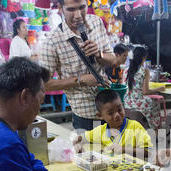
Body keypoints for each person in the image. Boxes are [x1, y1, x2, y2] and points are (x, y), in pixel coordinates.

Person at [40, 0, 116, 131]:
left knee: (116, 149)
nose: (78, 15)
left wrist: (99, 54)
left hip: (110, 108)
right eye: (71, 9)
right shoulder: (51, 42)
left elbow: (113, 60)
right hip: (85, 115)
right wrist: (80, 80)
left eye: (82, 7)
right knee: (91, 150)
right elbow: (43, 84)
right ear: (60, 8)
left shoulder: (96, 22)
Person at [73, 89, 152, 158]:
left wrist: (124, 149)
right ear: (100, 116)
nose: (117, 115)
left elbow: (149, 152)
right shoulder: (101, 131)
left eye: (119, 109)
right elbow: (80, 137)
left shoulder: (135, 127)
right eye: (110, 113)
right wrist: (77, 144)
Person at [123, 46, 165, 129]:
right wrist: (159, 89)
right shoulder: (144, 71)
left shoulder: (126, 70)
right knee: (155, 103)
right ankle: (155, 128)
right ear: (144, 57)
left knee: (150, 101)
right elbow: (145, 92)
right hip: (139, 104)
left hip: (127, 102)